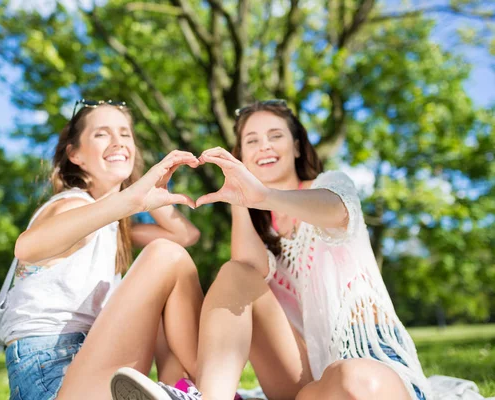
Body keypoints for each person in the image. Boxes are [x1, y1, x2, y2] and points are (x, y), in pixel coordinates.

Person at [112, 100, 431, 400]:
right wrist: (242, 198)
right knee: (235, 272)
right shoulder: (256, 226)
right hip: (302, 376)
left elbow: (335, 210)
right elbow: (244, 274)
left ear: (296, 146)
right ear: (241, 157)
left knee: (354, 378)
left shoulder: (330, 186)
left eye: (275, 135)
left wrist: (263, 195)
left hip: (369, 360)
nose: (263, 145)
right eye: (251, 141)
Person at [0, 99, 205, 400]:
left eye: (125, 134)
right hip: (54, 379)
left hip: (89, 367)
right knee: (163, 255)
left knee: (160, 286)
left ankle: (186, 389)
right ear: (75, 154)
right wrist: (130, 199)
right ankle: (212, 386)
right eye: (102, 134)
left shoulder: (112, 225)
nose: (118, 142)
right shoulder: (73, 203)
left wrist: (152, 192)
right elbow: (27, 247)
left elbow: (185, 234)